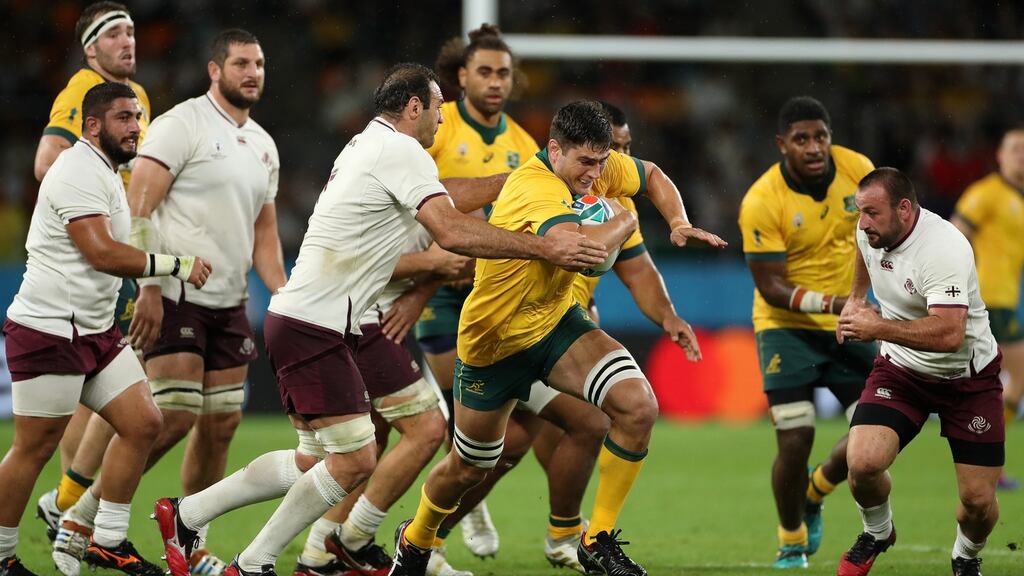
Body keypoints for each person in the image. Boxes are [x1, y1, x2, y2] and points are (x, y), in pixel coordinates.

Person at [152, 63, 607, 576]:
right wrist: (543, 246)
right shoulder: (400, 149)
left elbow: (445, 195)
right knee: (355, 460)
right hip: (316, 323)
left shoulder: (372, 144)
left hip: (320, 320)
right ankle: (258, 561)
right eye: (437, 106)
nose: (442, 116)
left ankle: (188, 515)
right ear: (415, 106)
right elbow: (451, 231)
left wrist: (511, 181)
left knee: (314, 461)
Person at [388, 100, 725, 576]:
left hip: (554, 325)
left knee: (637, 406)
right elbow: (580, 253)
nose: (594, 173)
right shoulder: (535, 187)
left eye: (601, 162)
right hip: (494, 342)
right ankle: (416, 538)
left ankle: (596, 537)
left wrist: (677, 221)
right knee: (471, 465)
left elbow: (651, 176)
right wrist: (625, 221)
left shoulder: (595, 171)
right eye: (585, 162)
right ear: (554, 150)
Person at [53, 29, 284, 576]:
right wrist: (150, 287)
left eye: (260, 63)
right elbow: (138, 205)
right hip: (178, 293)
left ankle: (189, 539)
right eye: (241, 63)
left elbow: (265, 232)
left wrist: (285, 293)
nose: (253, 72)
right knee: (173, 415)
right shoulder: (182, 124)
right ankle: (80, 521)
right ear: (214, 70)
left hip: (229, 302)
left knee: (221, 427)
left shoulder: (265, 145)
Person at [0, 82, 210, 576]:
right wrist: (174, 266)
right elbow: (101, 253)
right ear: (93, 126)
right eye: (123, 118)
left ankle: (108, 539)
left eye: (137, 117)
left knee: (144, 422)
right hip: (50, 330)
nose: (136, 126)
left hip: (93, 332)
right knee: (32, 448)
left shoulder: (108, 172)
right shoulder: (74, 170)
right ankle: (3, 556)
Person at [410, 24, 539, 566]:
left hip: (498, 296)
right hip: (435, 290)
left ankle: (469, 491)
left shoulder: (525, 145)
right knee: (464, 418)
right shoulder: (436, 129)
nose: (494, 82)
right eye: (484, 71)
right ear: (461, 76)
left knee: (511, 429)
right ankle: (463, 501)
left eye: (503, 73)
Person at [836, 167, 1003, 576]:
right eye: (860, 213)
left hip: (969, 379)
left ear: (905, 209)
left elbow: (949, 334)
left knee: (978, 503)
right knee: (862, 463)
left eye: (872, 213)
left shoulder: (944, 248)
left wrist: (876, 327)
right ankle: (877, 532)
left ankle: (966, 554)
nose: (863, 223)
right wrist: (857, 299)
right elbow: (862, 251)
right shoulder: (869, 230)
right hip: (901, 371)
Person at [31, 1, 153, 542]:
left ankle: (67, 500)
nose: (128, 42)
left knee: (106, 384)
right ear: (91, 49)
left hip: (121, 252)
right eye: (115, 34)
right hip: (99, 257)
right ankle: (67, 502)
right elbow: (46, 160)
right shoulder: (81, 89)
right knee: (107, 384)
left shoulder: (137, 97)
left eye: (132, 32)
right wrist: (94, 211)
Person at [737, 96, 876, 568]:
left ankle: (816, 490)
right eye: (801, 139)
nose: (814, 147)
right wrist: (836, 302)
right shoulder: (762, 200)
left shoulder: (860, 173)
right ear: (782, 145)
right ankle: (791, 536)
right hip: (785, 327)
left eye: (820, 136)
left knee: (873, 441)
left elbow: (889, 238)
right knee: (795, 439)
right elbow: (772, 287)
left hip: (850, 327)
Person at [951, 127, 1024, 491]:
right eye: (1014, 149)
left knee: (995, 383)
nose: (1021, 155)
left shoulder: (1019, 200)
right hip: (987, 300)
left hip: (1006, 300)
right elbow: (956, 231)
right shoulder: (986, 194)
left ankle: (988, 463)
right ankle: (987, 463)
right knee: (1011, 380)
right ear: (999, 155)